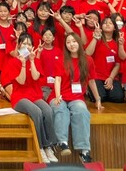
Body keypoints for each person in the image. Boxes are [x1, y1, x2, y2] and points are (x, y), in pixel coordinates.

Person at [49, 32, 102, 164]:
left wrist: (98, 99)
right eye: (68, 42)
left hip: (76, 97)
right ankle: (62, 143)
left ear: (79, 42)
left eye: (74, 41)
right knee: (60, 109)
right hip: (59, 94)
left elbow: (91, 81)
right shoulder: (61, 59)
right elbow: (57, 79)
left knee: (82, 112)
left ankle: (84, 150)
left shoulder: (88, 60)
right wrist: (57, 96)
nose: (71, 44)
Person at [7, 33, 58, 164]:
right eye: (24, 43)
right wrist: (23, 64)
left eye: (29, 44)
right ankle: (41, 147)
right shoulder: (12, 62)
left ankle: (49, 146)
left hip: (35, 95)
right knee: (37, 112)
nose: (27, 46)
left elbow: (35, 77)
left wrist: (32, 61)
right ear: (19, 45)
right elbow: (21, 81)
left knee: (48, 110)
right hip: (19, 97)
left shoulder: (35, 60)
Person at [84, 17, 123, 103]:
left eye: (110, 23)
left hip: (110, 77)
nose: (107, 24)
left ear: (115, 28)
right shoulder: (95, 39)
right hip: (96, 76)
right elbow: (88, 53)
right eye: (105, 23)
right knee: (101, 97)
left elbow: (117, 64)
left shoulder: (117, 43)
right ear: (101, 27)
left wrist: (111, 78)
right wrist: (95, 37)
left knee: (118, 97)